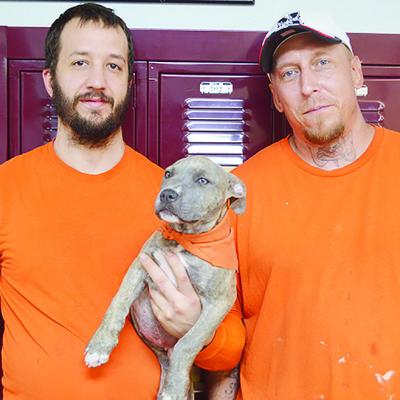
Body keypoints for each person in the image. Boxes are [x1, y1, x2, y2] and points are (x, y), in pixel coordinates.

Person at [0, 3, 244, 399]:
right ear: (49, 79)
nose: (97, 80)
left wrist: (194, 326)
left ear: (130, 81)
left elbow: (230, 343)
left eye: (113, 66)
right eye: (80, 63)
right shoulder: (6, 187)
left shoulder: (175, 198)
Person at [232, 9, 400, 400]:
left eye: (322, 63)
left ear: (356, 73)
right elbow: (226, 341)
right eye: (290, 73)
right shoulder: (242, 191)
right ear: (275, 95)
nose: (308, 86)